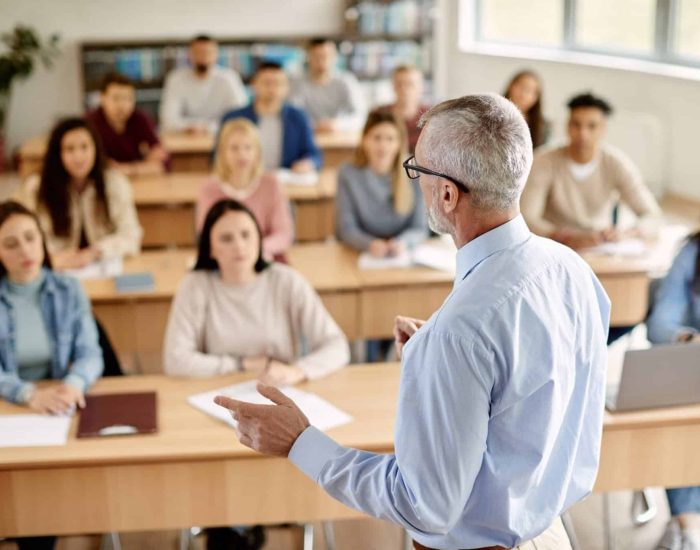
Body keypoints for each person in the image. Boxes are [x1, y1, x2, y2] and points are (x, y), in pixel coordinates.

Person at [215, 94, 611, 550]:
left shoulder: (462, 332)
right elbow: (533, 384)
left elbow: (425, 505)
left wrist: (300, 442)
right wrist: (448, 364)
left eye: (417, 169)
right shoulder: (572, 268)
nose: (414, 180)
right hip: (551, 530)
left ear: (447, 194)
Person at [0, 201, 103, 550]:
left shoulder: (68, 289)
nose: (25, 250)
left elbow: (91, 352)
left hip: (60, 410)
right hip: (13, 409)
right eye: (10, 244)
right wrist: (28, 394)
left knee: (44, 501)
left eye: (30, 238)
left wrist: (74, 384)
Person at [164, 198, 349, 383]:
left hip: (279, 389)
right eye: (226, 239)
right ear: (210, 248)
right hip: (217, 390)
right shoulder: (194, 286)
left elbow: (337, 346)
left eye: (246, 235)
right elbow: (175, 360)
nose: (239, 245)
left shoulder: (286, 281)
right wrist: (240, 364)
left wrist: (297, 371)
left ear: (259, 239)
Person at [521, 92, 662, 250]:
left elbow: (652, 215)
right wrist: (565, 236)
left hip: (600, 246)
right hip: (554, 245)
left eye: (592, 126)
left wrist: (626, 234)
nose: (583, 134)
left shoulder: (616, 163)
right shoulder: (543, 161)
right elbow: (527, 217)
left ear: (603, 129)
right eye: (576, 124)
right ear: (567, 126)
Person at [13, 118, 142, 271]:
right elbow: (24, 235)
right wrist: (55, 257)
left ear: (96, 149)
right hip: (53, 268)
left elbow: (131, 235)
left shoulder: (115, 183)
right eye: (69, 149)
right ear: (58, 154)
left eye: (84, 147)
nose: (78, 156)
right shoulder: (35, 188)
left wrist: (96, 252)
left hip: (102, 266)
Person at [647, 231, 700, 550]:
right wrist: (689, 340)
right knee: (682, 412)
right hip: (693, 368)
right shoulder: (692, 254)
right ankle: (687, 523)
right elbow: (660, 325)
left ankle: (686, 525)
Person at [196, 118, 293, 261]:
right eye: (234, 148)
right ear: (222, 152)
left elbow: (284, 234)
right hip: (224, 260)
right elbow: (205, 235)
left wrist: (255, 249)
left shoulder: (271, 184)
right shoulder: (209, 189)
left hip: (265, 256)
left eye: (248, 147)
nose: (241, 154)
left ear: (257, 151)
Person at [335, 109, 427, 257]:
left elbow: (419, 228)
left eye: (390, 139)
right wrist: (369, 244)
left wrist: (403, 243)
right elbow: (346, 229)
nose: (383, 146)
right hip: (361, 253)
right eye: (377, 138)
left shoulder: (414, 172)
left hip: (402, 254)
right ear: (364, 140)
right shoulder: (347, 174)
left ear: (399, 143)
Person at [218, 62, 321, 172]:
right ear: (254, 84)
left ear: (287, 87)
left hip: (285, 181)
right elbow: (217, 157)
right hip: (243, 181)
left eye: (277, 83)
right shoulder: (233, 118)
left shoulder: (298, 117)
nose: (272, 89)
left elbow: (313, 154)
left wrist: (308, 163)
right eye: (266, 83)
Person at [159, 34, 247, 134]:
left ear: (216, 54)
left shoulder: (229, 78)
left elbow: (239, 116)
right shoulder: (175, 79)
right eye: (198, 52)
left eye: (207, 52)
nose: (203, 57)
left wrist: (207, 128)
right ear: (189, 55)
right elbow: (168, 119)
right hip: (184, 137)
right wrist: (191, 128)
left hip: (222, 136)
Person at [86, 72, 169, 176]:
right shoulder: (90, 123)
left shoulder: (140, 120)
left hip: (139, 183)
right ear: (102, 98)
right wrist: (144, 166)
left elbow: (163, 162)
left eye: (128, 98)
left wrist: (125, 169)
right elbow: (92, 166)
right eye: (116, 98)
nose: (122, 105)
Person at [289, 37, 364, 132]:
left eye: (326, 56)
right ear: (308, 58)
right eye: (316, 57)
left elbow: (360, 116)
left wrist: (338, 124)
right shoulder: (298, 83)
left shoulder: (346, 81)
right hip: (308, 134)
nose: (321, 62)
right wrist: (315, 125)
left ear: (335, 57)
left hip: (340, 135)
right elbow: (292, 115)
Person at [377, 65, 431, 153]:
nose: (404, 89)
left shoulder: (431, 117)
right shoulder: (379, 115)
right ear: (393, 86)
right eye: (400, 84)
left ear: (421, 87)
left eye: (410, 84)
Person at [503, 70, 550, 148]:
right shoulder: (489, 114)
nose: (523, 94)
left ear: (536, 98)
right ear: (510, 86)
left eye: (530, 90)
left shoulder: (543, 127)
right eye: (521, 86)